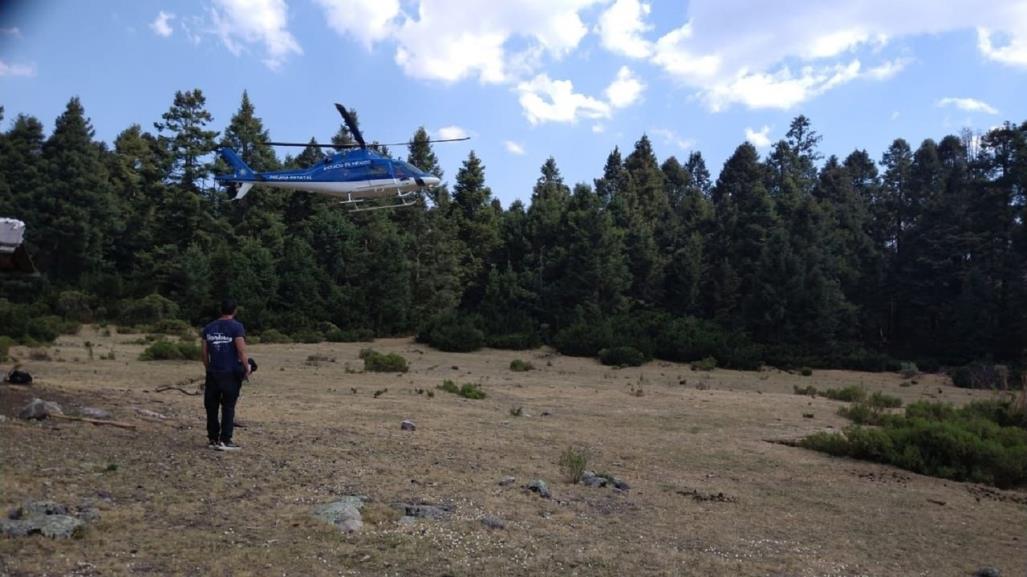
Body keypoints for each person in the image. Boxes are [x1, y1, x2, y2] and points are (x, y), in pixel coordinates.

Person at [201, 298, 250, 451]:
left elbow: (204, 352)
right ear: (235, 311)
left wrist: (209, 368)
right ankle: (226, 440)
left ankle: (213, 438)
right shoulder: (236, 327)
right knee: (228, 407)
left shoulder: (208, 328)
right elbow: (241, 350)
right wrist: (246, 367)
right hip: (230, 373)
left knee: (211, 406)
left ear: (221, 310)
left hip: (214, 372)